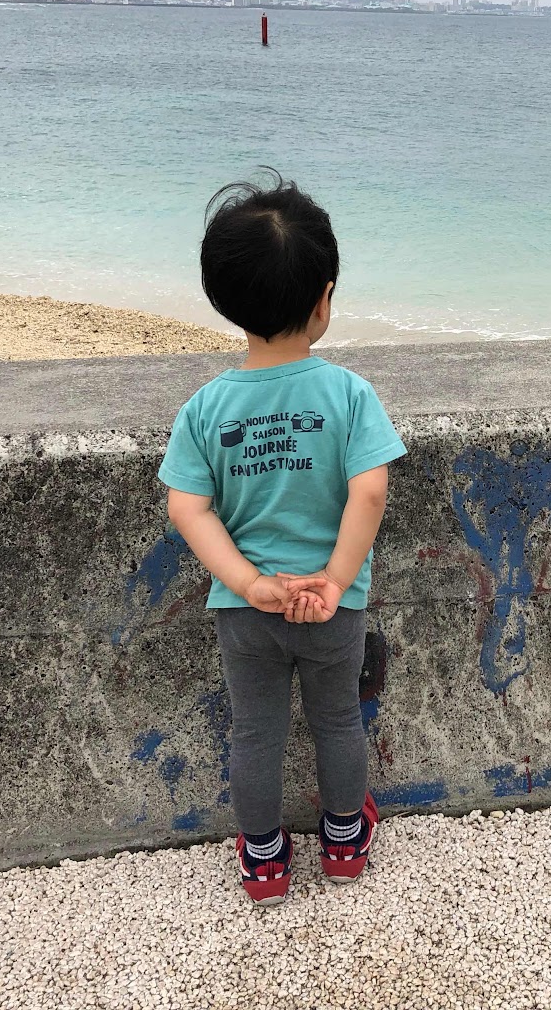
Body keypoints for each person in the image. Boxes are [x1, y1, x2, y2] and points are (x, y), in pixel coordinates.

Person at [159, 171, 406, 905]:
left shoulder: (205, 408)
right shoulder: (349, 394)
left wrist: (249, 582)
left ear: (223, 298)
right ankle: (343, 842)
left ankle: (264, 859)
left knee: (256, 733)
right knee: (338, 721)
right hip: (334, 607)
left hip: (247, 610)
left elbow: (188, 508)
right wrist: (334, 580)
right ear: (324, 299)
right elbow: (369, 490)